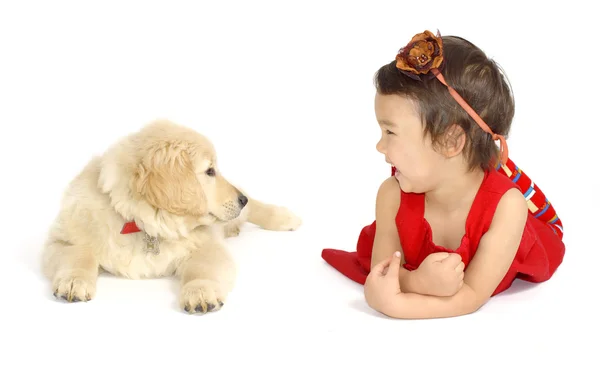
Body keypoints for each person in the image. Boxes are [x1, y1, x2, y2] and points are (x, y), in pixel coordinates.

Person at [321, 30, 565, 319]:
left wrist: (399, 305)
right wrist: (417, 282)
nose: (379, 145)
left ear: (451, 142)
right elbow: (382, 273)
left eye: (390, 131)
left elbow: (472, 295)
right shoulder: (392, 195)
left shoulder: (507, 208)